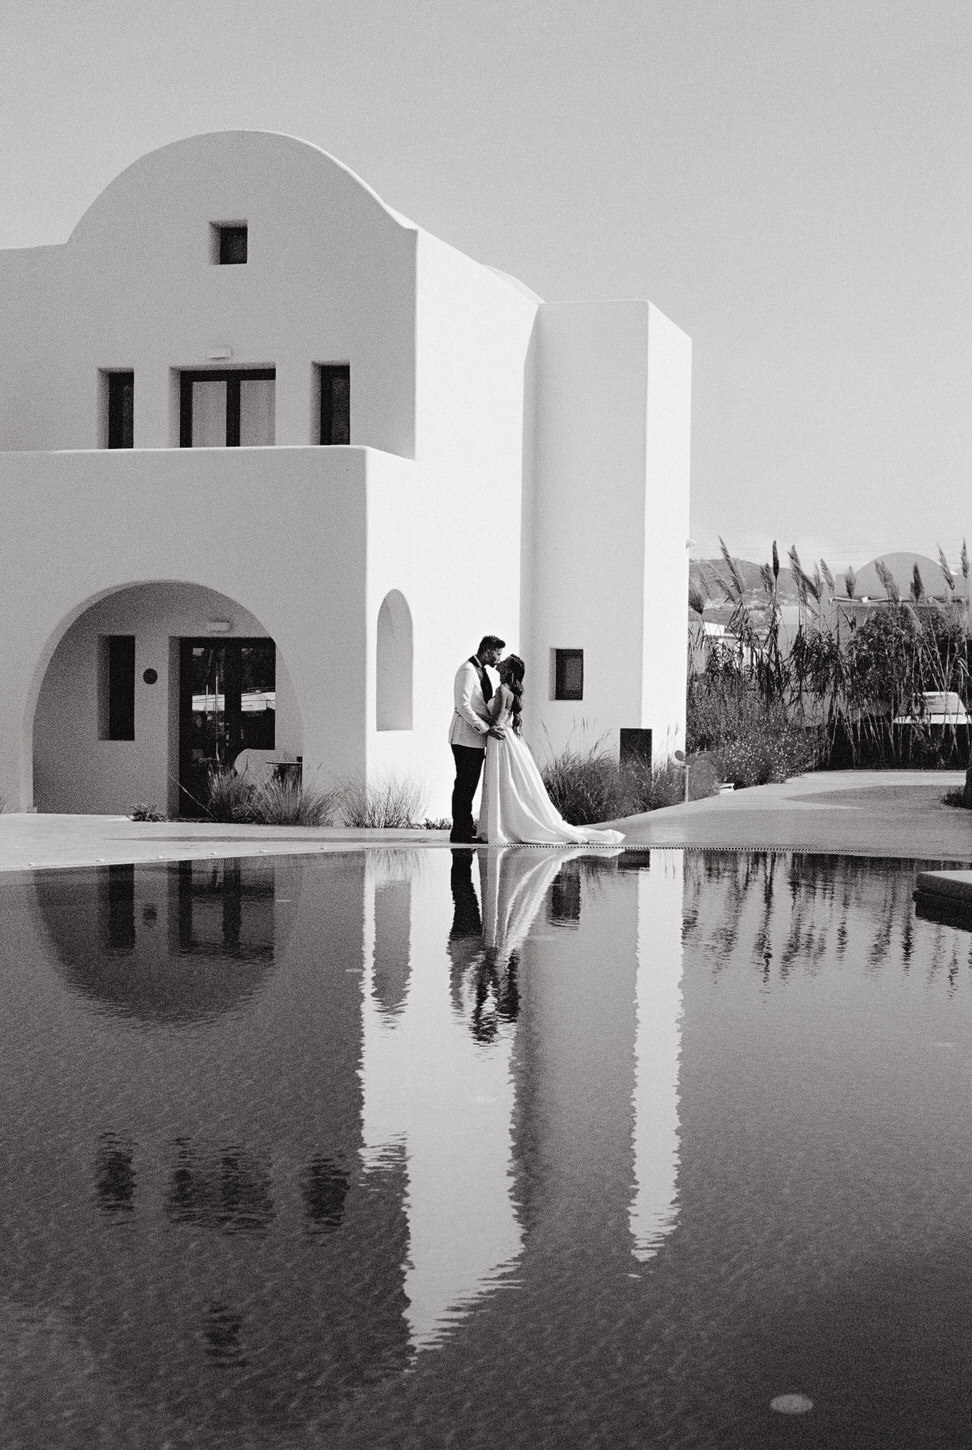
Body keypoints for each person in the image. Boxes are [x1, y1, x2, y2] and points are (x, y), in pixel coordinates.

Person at [482, 655, 625, 846]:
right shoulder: (511, 693)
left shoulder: (502, 690)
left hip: (500, 740)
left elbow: (496, 720)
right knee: (509, 784)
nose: (499, 664)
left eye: (504, 663)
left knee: (503, 782)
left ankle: (503, 825)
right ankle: (506, 823)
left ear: (509, 671)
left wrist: (473, 714)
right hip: (510, 740)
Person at [448, 636, 506, 843]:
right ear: (488, 650)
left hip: (474, 739)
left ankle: (464, 827)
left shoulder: (480, 670)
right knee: (464, 784)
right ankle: (460, 832)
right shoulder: (467, 670)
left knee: (470, 785)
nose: (499, 659)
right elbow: (463, 706)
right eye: (498, 653)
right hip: (464, 737)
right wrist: (486, 728)